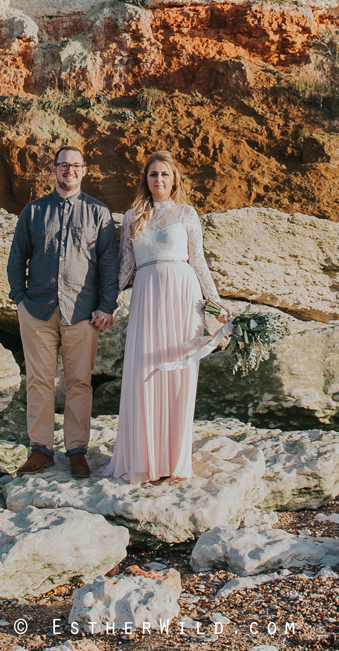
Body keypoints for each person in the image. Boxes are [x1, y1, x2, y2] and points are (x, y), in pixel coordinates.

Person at [106, 151, 231, 484]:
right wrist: (107, 301)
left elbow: (199, 262)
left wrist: (216, 305)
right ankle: (144, 458)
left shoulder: (187, 214)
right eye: (152, 175)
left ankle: (174, 461)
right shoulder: (132, 216)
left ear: (175, 179)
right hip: (146, 296)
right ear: (145, 180)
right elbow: (125, 267)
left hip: (182, 296)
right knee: (143, 371)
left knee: (177, 374)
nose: (158, 180)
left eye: (164, 174)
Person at [5, 145, 120, 478]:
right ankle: (40, 450)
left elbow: (109, 266)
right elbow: (17, 258)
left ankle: (76, 452)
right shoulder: (34, 211)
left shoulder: (99, 214)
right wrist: (20, 301)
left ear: (84, 171)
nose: (69, 170)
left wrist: (106, 305)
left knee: (79, 383)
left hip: (82, 311)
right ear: (53, 170)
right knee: (39, 381)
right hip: (37, 309)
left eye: (75, 165)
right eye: (62, 165)